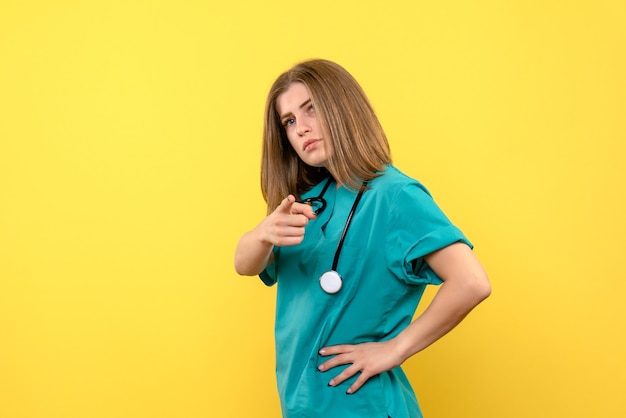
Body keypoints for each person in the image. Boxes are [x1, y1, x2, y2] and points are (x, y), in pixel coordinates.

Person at [234, 59, 491, 418]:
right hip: (303, 405)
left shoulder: (395, 194)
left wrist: (395, 349)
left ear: (342, 109)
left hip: (361, 404)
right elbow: (244, 265)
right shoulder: (308, 202)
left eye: (312, 110)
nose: (301, 129)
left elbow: (472, 282)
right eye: (289, 121)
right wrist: (262, 234)